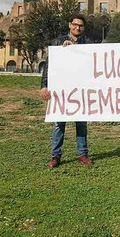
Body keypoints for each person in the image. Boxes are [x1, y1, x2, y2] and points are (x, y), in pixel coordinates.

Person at [40, 15, 93, 169]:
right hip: (61, 91)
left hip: (80, 90)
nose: (78, 28)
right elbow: (49, 66)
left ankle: (82, 154)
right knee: (58, 124)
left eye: (81, 26)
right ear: (70, 25)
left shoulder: (88, 44)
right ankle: (55, 156)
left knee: (81, 124)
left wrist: (77, 50)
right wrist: (44, 86)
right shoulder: (58, 42)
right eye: (75, 24)